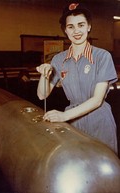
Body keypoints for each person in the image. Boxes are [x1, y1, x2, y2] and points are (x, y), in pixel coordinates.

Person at [36, 1, 118, 153]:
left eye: (81, 25)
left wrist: (64, 116)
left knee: (106, 168)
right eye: (70, 27)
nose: (76, 31)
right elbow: (42, 95)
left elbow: (97, 99)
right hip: (74, 122)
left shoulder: (102, 56)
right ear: (65, 31)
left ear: (89, 27)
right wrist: (44, 75)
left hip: (99, 119)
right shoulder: (58, 59)